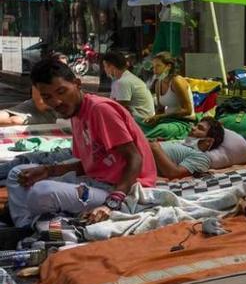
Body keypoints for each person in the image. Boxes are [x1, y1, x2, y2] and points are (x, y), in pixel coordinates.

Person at [7, 59, 157, 228]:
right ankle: (25, 226)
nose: (56, 102)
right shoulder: (76, 114)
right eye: (47, 96)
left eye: (61, 91)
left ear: (77, 84)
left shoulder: (100, 110)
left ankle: (30, 223)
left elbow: (135, 157)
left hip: (121, 189)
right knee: (17, 173)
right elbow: (90, 164)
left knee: (41, 192)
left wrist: (113, 202)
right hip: (95, 181)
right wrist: (49, 170)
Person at [139, 52, 194, 140]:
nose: (154, 70)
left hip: (183, 122)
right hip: (166, 120)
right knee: (138, 121)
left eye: (158, 66)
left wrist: (161, 117)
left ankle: (141, 141)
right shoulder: (158, 83)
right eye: (153, 66)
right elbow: (160, 109)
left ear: (168, 66)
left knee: (162, 129)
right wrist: (154, 118)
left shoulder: (177, 81)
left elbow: (187, 110)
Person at [150, 117, 225, 179]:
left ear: (208, 141)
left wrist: (155, 147)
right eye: (195, 125)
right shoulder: (182, 143)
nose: (193, 128)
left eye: (200, 128)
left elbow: (174, 174)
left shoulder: (201, 157)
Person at [102, 51, 155, 120]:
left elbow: (119, 108)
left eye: (105, 66)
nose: (104, 69)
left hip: (141, 121)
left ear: (111, 67)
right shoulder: (121, 79)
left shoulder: (123, 82)